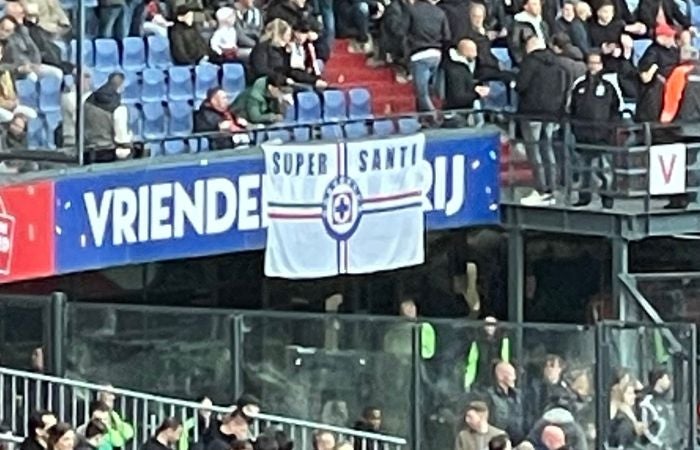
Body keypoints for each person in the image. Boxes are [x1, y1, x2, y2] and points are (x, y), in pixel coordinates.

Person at [516, 36, 568, 206]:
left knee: (534, 150)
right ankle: (552, 188)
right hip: (552, 113)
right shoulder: (558, 62)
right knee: (548, 149)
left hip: (532, 113)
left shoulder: (530, 62)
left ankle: (541, 189)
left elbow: (521, 85)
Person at [569, 50, 622, 208]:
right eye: (590, 63)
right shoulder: (579, 85)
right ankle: (584, 197)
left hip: (602, 135)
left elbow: (616, 108)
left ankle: (607, 198)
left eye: (596, 63)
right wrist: (575, 128)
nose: (593, 66)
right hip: (583, 135)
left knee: (604, 169)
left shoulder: (608, 87)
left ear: (601, 65)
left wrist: (609, 129)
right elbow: (572, 109)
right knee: (584, 169)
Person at [406, 0, 451, 113]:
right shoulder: (440, 12)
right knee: (431, 92)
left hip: (418, 55)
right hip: (436, 54)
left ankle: (435, 117)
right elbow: (447, 36)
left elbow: (403, 32)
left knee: (422, 94)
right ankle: (425, 120)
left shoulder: (411, 10)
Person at [635, 23, 679, 122]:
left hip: (672, 91)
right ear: (660, 37)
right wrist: (654, 68)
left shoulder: (674, 51)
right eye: (668, 36)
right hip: (654, 93)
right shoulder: (652, 52)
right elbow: (645, 77)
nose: (671, 39)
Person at [84, 73, 133, 159]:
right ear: (120, 87)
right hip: (108, 151)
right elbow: (121, 139)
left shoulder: (87, 101)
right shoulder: (119, 109)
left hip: (87, 150)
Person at [0, 15, 63, 82]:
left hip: (29, 65)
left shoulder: (17, 38)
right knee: (31, 77)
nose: (2, 32)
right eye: (1, 28)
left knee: (56, 73)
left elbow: (34, 51)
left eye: (7, 31)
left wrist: (35, 64)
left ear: (13, 32)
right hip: (12, 73)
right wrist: (18, 69)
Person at [442, 39, 492, 111]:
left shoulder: (463, 67)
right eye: (473, 50)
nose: (476, 54)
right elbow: (457, 97)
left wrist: (475, 88)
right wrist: (477, 94)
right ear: (465, 51)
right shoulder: (456, 70)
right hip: (456, 113)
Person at [463, 316, 510, 391]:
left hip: (497, 379)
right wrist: (468, 383)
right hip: (481, 378)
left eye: (492, 325)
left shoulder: (503, 341)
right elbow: (472, 362)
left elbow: (505, 361)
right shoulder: (477, 341)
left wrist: (505, 381)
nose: (489, 327)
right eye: (487, 324)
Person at [638, 367, 679, 448]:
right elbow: (646, 430)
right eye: (666, 378)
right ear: (659, 380)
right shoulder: (647, 402)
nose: (669, 382)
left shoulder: (667, 401)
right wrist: (660, 445)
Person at [485, 361, 525, 444]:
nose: (514, 378)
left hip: (518, 441)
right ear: (500, 376)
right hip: (497, 442)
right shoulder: (488, 396)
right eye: (510, 374)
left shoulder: (518, 396)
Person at [0, 44, 37, 124]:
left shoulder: (6, 70)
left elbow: (13, 89)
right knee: (8, 117)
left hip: (9, 103)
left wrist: (15, 100)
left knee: (32, 114)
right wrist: (4, 104)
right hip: (2, 105)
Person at [508, 0, 549, 66]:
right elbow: (514, 48)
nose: (538, 7)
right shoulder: (517, 25)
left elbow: (547, 42)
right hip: (529, 63)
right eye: (534, 4)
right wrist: (523, 64)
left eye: (539, 4)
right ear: (526, 6)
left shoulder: (543, 24)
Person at [609, 381, 646, 448]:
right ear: (621, 395)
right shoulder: (621, 418)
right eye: (629, 394)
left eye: (633, 393)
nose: (634, 396)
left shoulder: (634, 412)